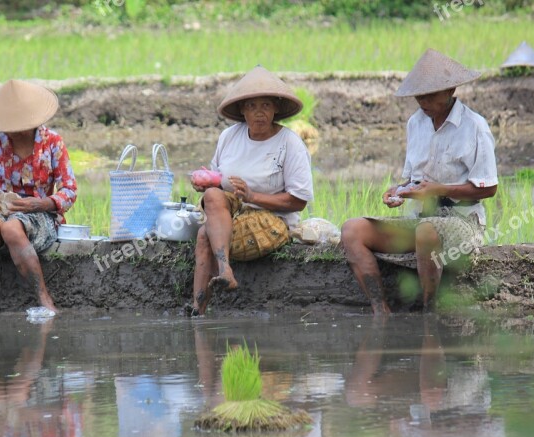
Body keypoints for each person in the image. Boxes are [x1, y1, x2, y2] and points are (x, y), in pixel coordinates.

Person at [341, 49, 498, 315]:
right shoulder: (416, 123)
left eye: (430, 95)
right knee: (352, 230)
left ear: (450, 90)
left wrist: (439, 190)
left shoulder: (474, 126)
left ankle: (429, 312)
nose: (422, 102)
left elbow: (489, 187)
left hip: (462, 222)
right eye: (418, 96)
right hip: (420, 222)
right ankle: (381, 310)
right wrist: (398, 192)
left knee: (426, 230)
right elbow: (413, 179)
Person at [188, 66, 314, 316]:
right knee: (212, 196)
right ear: (243, 109)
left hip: (274, 218)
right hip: (232, 213)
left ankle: (198, 308)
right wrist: (204, 183)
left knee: (204, 235)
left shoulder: (289, 143)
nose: (260, 112)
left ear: (275, 108)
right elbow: (217, 184)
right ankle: (224, 272)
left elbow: (298, 201)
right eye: (253, 106)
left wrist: (253, 197)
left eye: (266, 105)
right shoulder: (229, 137)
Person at [0, 79, 77, 314]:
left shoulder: (52, 142)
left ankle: (43, 298)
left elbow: (69, 190)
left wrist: (41, 203)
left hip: (38, 215)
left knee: (12, 229)